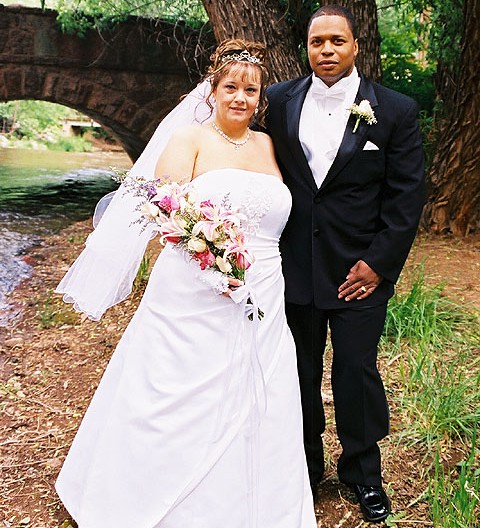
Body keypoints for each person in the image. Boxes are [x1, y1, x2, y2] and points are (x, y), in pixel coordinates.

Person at [54, 39, 317, 528]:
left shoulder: (267, 145)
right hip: (196, 289)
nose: (241, 97)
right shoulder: (187, 140)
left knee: (262, 389)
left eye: (251, 90)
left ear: (262, 97)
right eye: (231, 87)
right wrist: (214, 258)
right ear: (212, 90)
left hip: (264, 285)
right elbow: (166, 216)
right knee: (174, 391)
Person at [265, 4, 425, 523]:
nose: (327, 51)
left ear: (356, 46)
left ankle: (362, 473)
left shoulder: (395, 110)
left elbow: (405, 197)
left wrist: (379, 265)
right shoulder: (278, 100)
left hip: (360, 271)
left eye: (337, 41)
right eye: (317, 42)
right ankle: (304, 471)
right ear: (306, 47)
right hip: (294, 267)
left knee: (356, 371)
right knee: (299, 374)